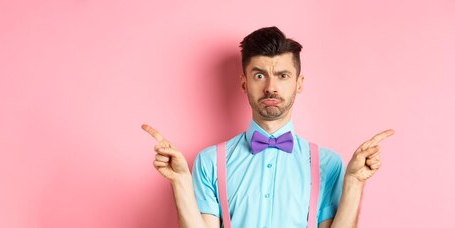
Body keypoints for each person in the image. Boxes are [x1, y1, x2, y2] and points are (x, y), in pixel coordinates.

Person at [142, 26, 394, 228]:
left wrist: (354, 183)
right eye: (259, 75)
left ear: (299, 83)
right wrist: (180, 182)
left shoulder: (328, 164)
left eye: (283, 75)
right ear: (244, 82)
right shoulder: (209, 161)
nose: (271, 87)